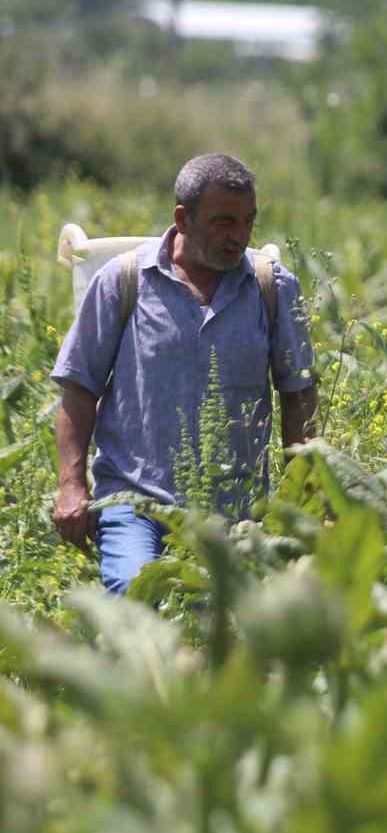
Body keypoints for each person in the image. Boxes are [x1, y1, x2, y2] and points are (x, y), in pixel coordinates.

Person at [50, 153, 319, 595]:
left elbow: (298, 396)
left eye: (248, 221)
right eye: (223, 222)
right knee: (135, 593)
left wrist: (304, 495)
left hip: (237, 510)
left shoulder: (273, 287)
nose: (240, 236)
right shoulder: (124, 280)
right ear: (183, 218)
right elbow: (79, 390)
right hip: (133, 501)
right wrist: (72, 486)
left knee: (237, 623)